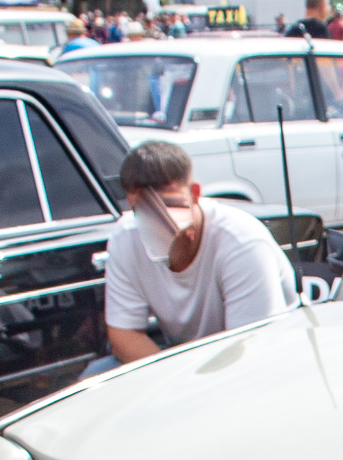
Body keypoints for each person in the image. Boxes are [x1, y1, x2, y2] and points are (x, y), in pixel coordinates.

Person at [85, 142, 299, 378]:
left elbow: (250, 349)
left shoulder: (241, 241)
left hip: (265, 359)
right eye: (146, 210)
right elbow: (124, 335)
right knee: (97, 375)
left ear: (195, 194)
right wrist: (170, 384)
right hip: (183, 358)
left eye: (169, 204)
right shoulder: (126, 237)